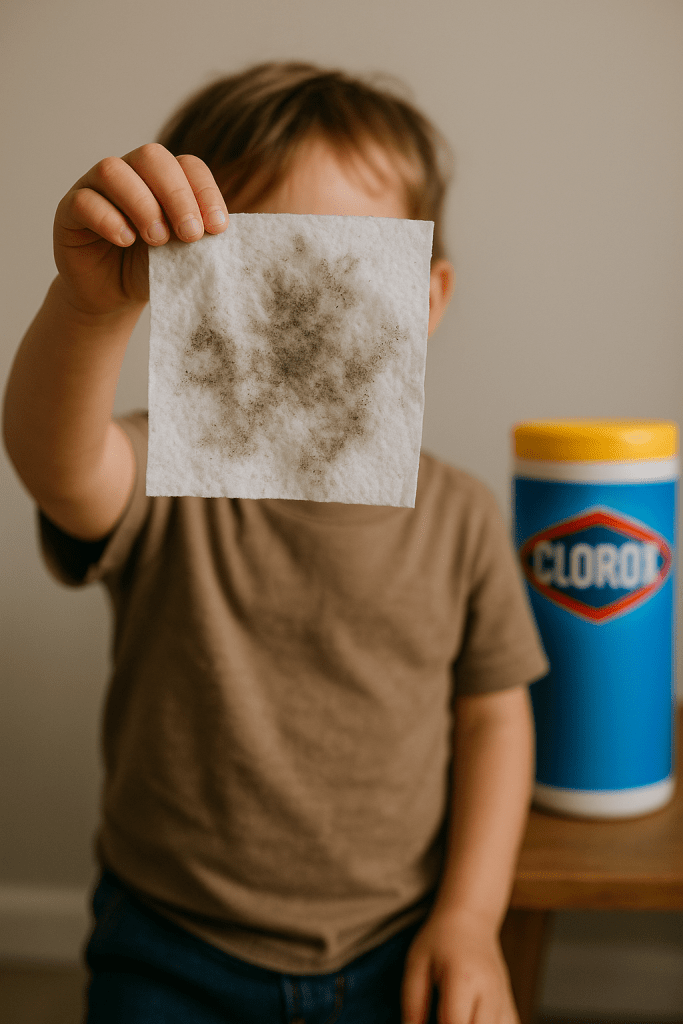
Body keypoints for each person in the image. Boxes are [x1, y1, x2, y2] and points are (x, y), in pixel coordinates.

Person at [3, 61, 548, 1024]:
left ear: (425, 296)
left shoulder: (460, 516)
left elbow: (494, 716)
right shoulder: (166, 475)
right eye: (250, 268)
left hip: (396, 939)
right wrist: (91, 307)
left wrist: (469, 918)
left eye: (341, 265)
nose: (296, 311)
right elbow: (59, 466)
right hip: (169, 940)